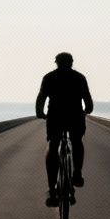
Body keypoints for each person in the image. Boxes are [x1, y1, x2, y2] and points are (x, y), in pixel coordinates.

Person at [35, 52, 93, 205]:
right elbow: (88, 100)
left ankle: (52, 189)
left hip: (56, 116)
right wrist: (87, 109)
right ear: (72, 62)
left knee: (53, 145)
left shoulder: (49, 77)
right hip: (75, 116)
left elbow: (41, 98)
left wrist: (40, 113)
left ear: (56, 63)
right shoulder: (79, 78)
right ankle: (77, 173)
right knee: (76, 141)